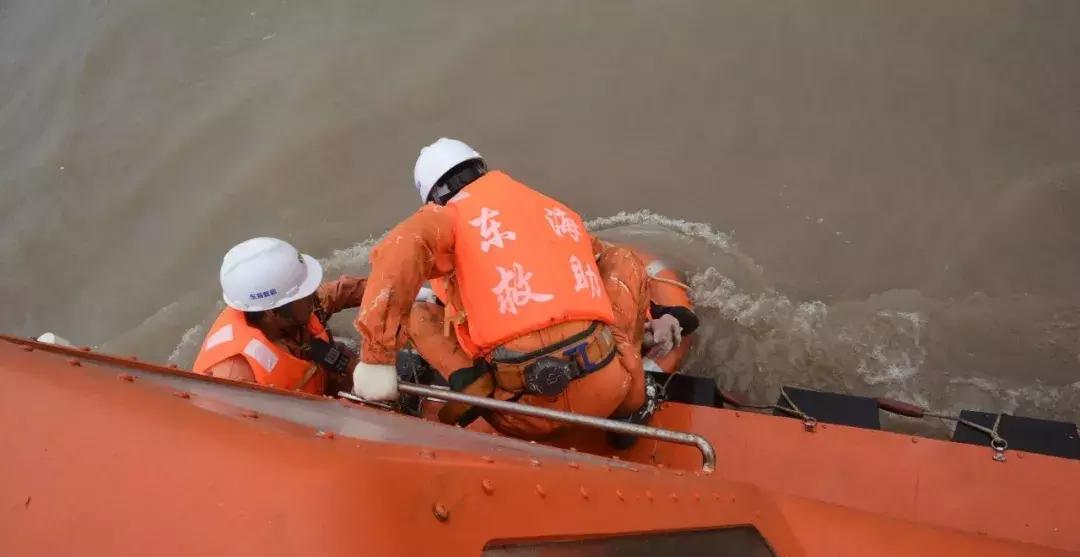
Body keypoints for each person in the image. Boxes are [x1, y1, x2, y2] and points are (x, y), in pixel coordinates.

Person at [351, 138, 656, 439]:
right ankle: (631, 407)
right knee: (622, 260)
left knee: (419, 313)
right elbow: (596, 260)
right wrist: (650, 315)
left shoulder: (446, 218)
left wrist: (377, 358)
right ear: (481, 169)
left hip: (521, 413)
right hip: (607, 388)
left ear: (432, 199)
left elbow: (402, 246)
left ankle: (469, 379)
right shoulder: (550, 207)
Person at [193, 237, 365, 395]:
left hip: (316, 373)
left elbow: (339, 293)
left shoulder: (289, 310)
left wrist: (379, 291)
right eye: (303, 295)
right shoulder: (235, 377)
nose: (313, 296)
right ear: (272, 312)